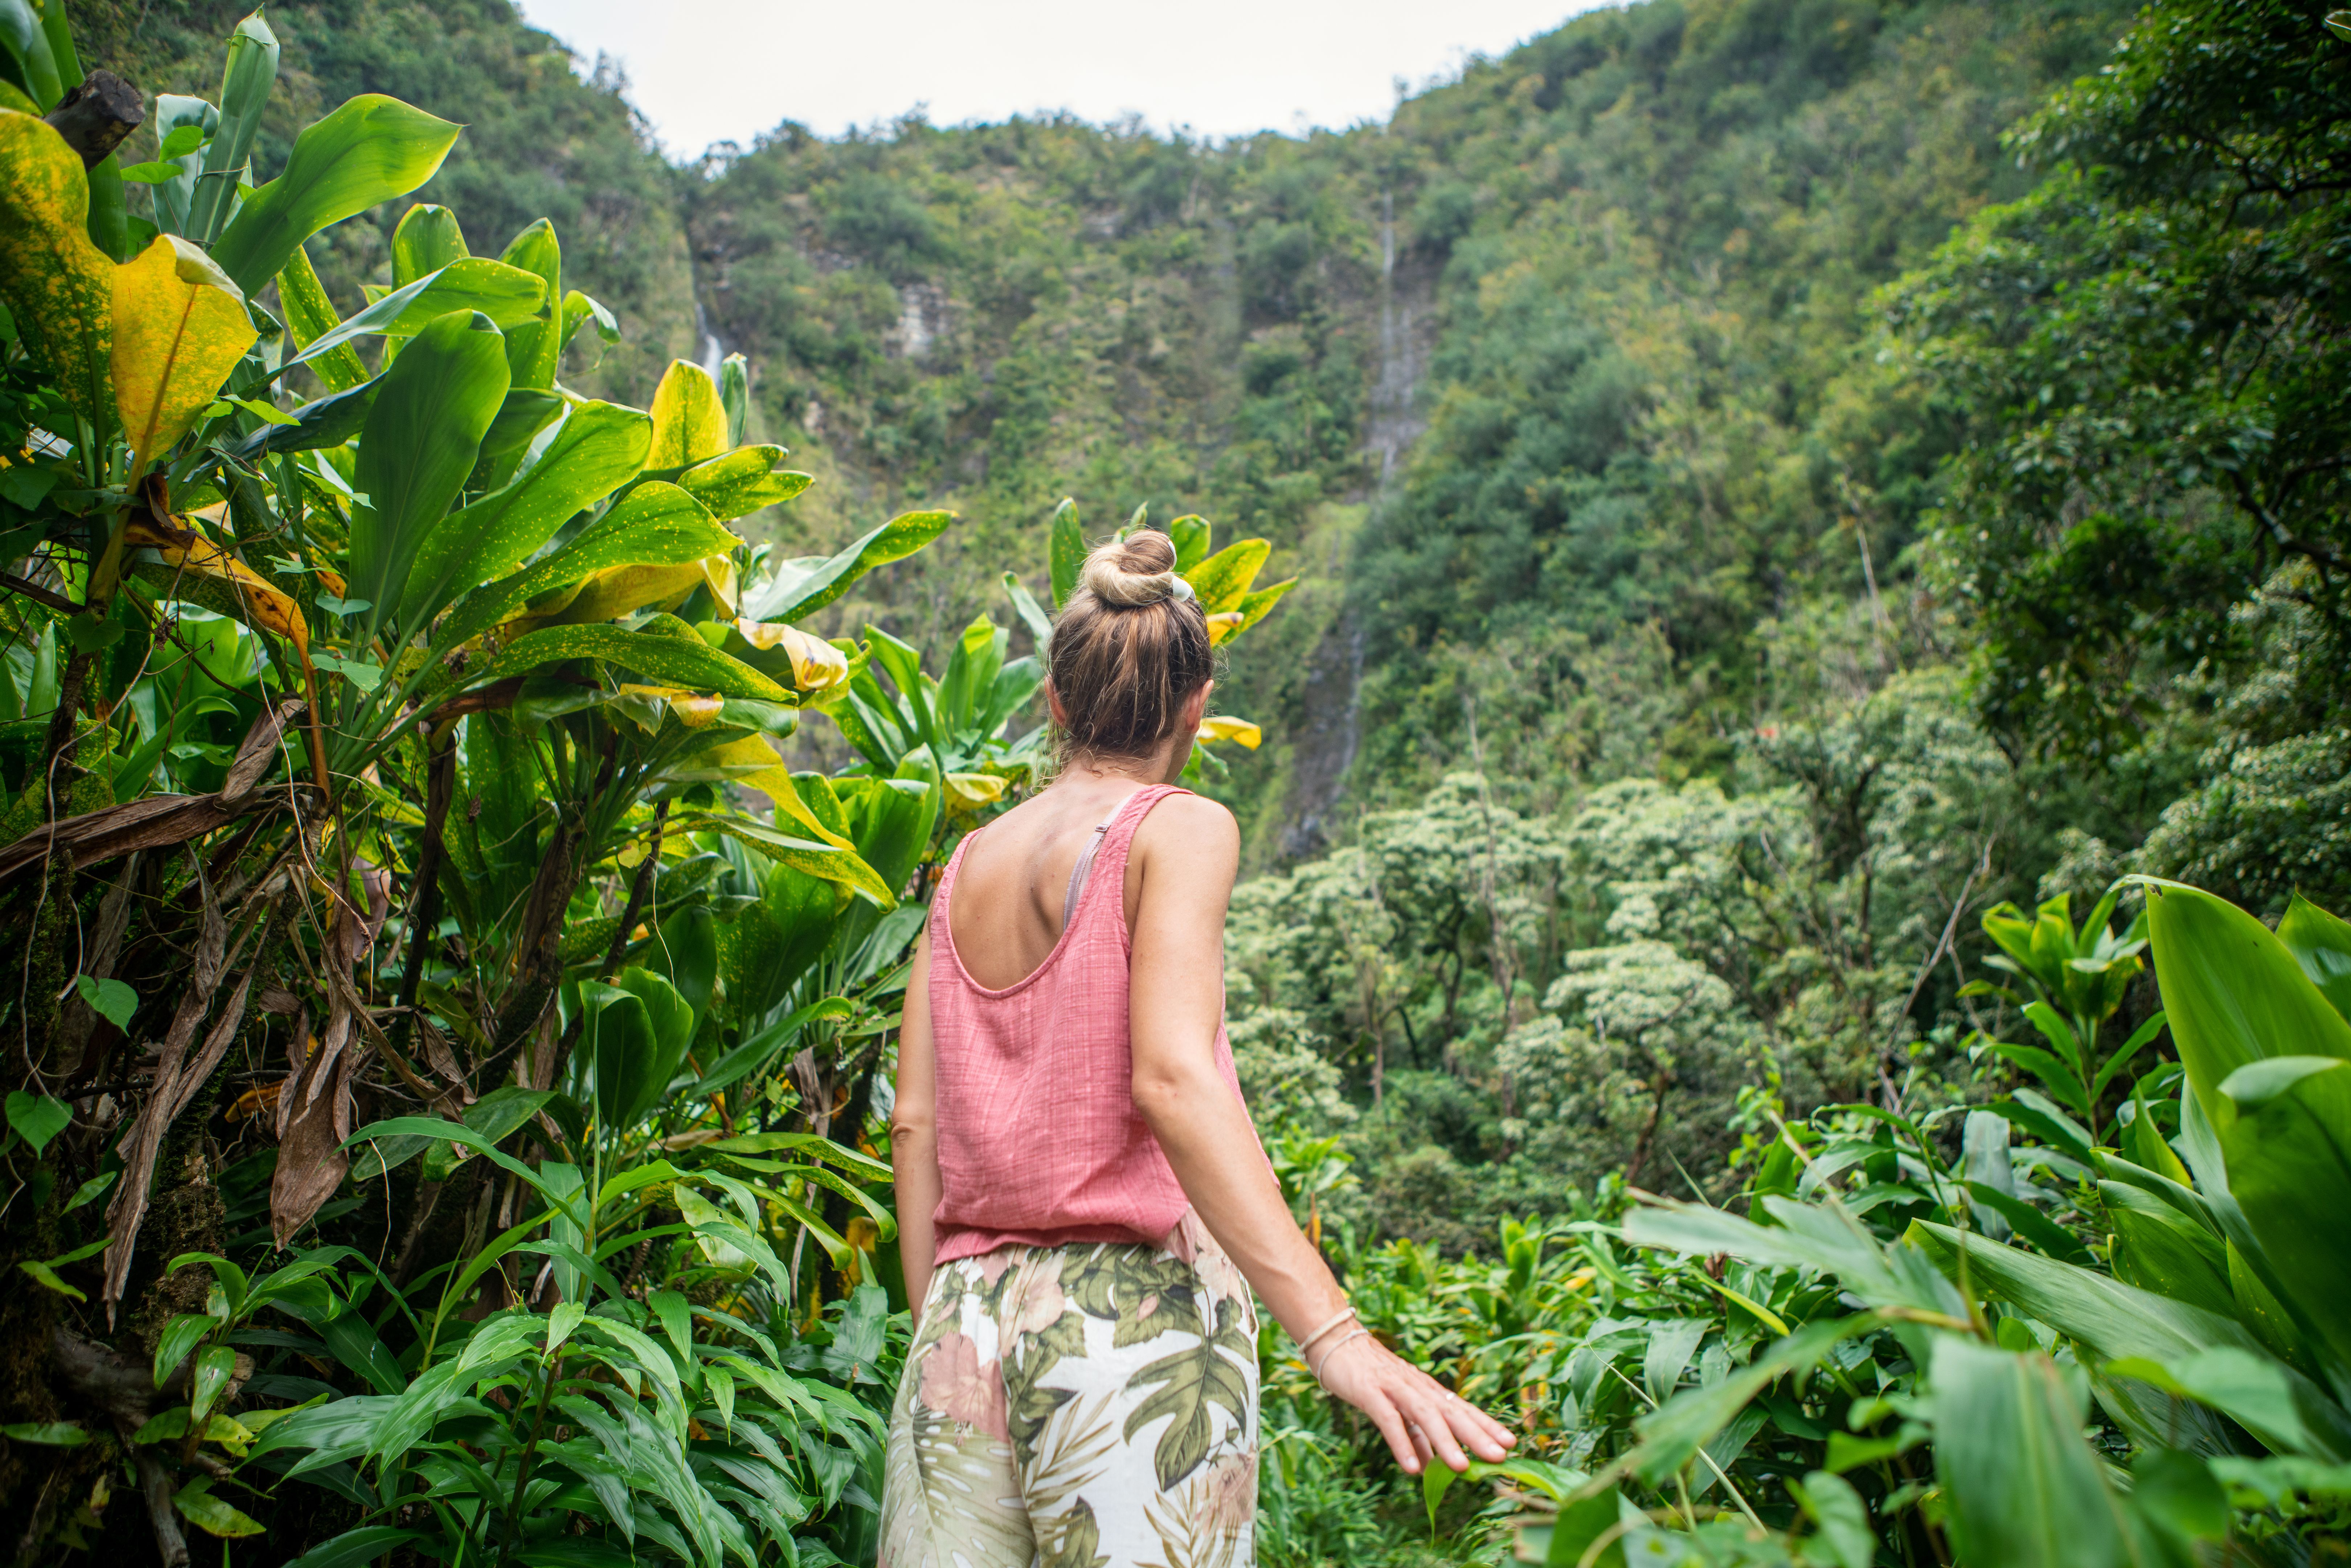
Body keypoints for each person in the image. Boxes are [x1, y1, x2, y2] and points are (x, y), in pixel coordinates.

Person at [880, 530, 1514, 1568]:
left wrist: (939, 1333)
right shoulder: (1179, 829)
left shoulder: (965, 866)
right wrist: (1337, 1336)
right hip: (1128, 1322)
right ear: (1194, 707)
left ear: (1055, 700)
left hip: (960, 1320)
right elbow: (1171, 1076)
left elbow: (915, 1124)